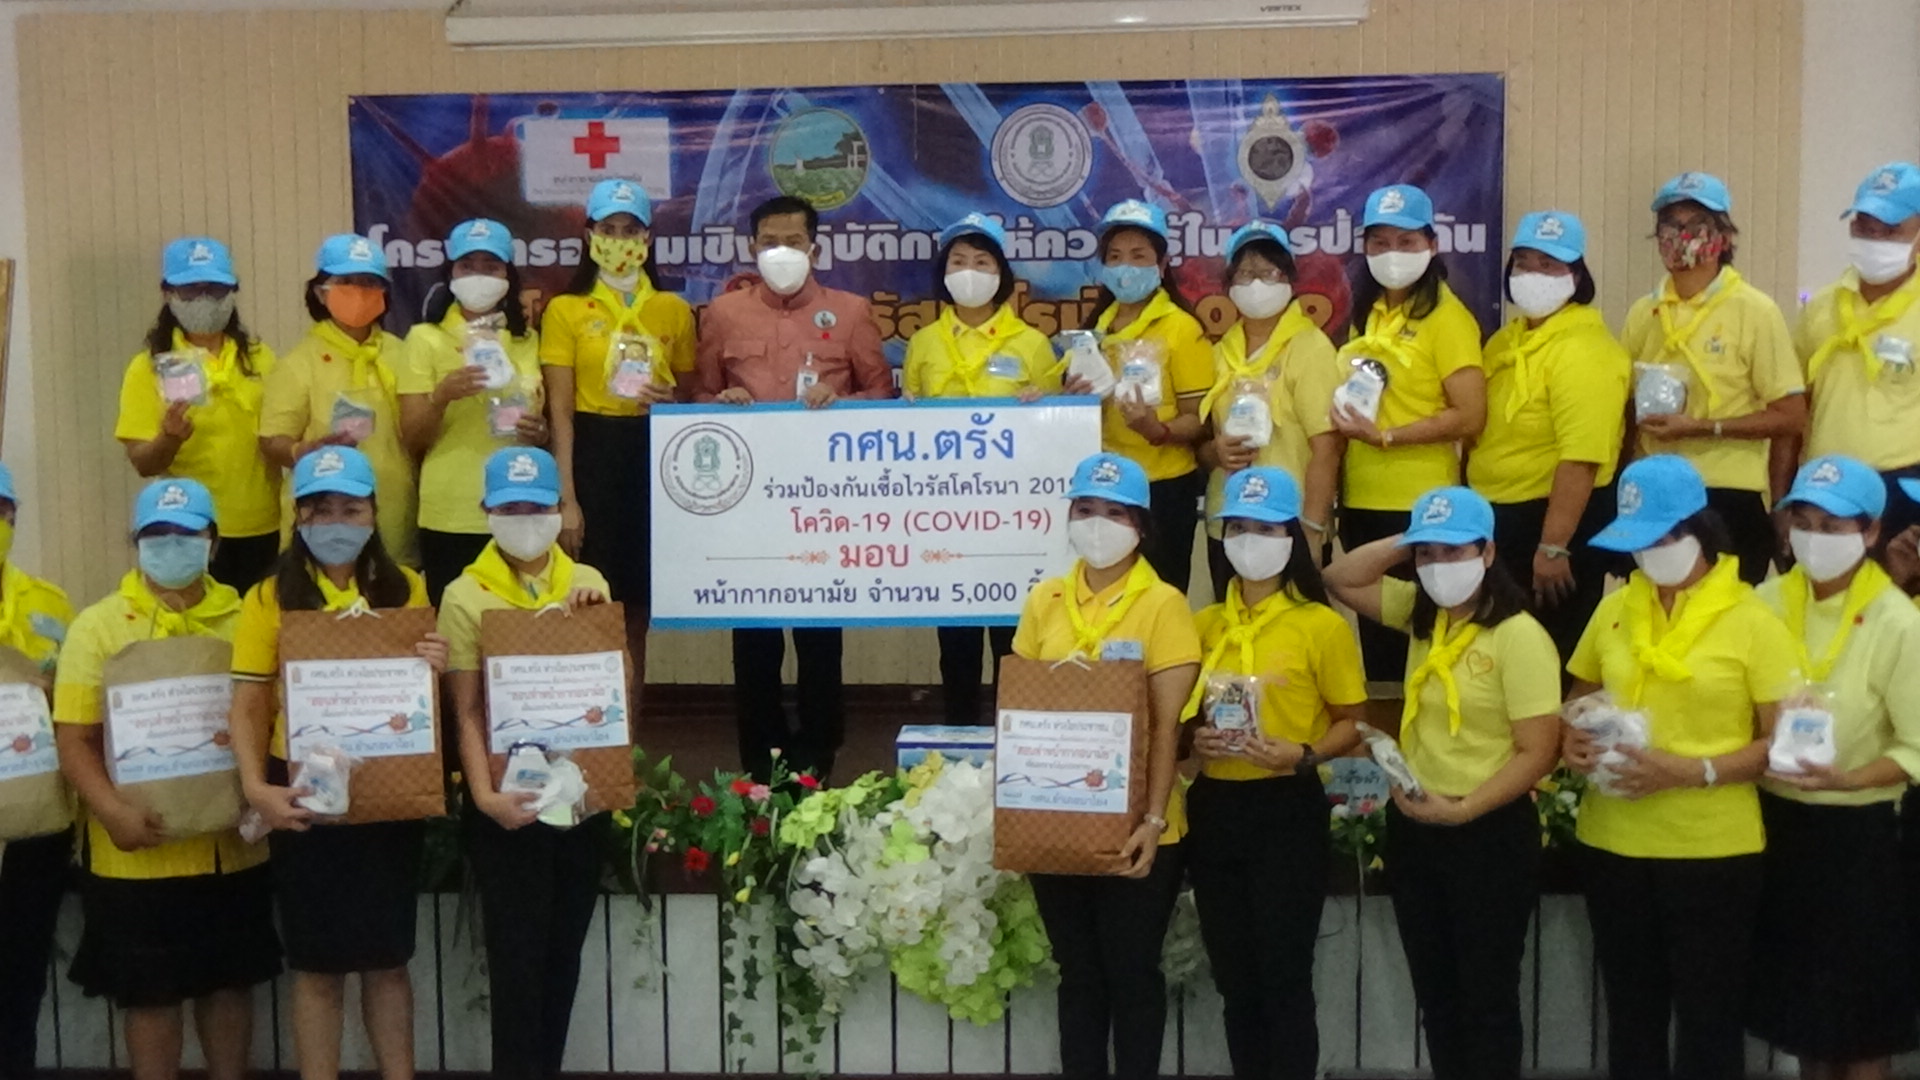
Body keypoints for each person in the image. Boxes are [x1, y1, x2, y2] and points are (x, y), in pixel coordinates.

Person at [1562, 454, 1799, 1080]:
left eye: (1663, 538)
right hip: (1613, 840)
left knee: (1709, 1021)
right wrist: (1575, 739)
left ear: (1701, 530)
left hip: (1712, 850)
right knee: (1632, 1016)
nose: (1649, 554)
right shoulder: (1615, 609)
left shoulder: (1755, 619)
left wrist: (1692, 772)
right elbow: (1579, 696)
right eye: (1638, 542)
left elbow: (1782, 742)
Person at [1323, 486, 1561, 1080]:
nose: (1438, 566)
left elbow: (1538, 752)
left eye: (1454, 551)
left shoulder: (1519, 635)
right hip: (1418, 828)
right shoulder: (1422, 617)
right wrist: (1409, 539)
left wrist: (1465, 809)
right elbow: (1340, 577)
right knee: (1438, 997)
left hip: (1489, 831)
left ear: (1487, 553)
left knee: (1487, 998)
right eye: (1427, 555)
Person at [227, 447, 442, 1080]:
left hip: (389, 785)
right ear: (298, 517)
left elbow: (417, 703)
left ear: (375, 513)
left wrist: (432, 664)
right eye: (321, 511)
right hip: (302, 791)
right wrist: (255, 787)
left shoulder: (406, 588)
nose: (337, 523)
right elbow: (247, 704)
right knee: (316, 966)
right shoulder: (269, 596)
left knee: (387, 960)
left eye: (351, 509)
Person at [52, 478, 278, 1080]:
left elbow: (275, 717)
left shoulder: (247, 616)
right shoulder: (97, 626)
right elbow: (74, 739)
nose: (171, 546)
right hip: (134, 857)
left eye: (186, 534)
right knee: (150, 997)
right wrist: (112, 812)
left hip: (232, 848)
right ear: (135, 543)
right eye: (156, 535)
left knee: (229, 985)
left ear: (214, 542)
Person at [1010, 451, 1199, 1080]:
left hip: (1138, 828)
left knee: (1131, 972)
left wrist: (1152, 819)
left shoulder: (1164, 604)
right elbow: (1022, 713)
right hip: (1057, 820)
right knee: (1079, 975)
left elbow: (1168, 725)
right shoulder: (1045, 600)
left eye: (1115, 513)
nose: (1097, 524)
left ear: (1140, 526)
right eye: (1085, 509)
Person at [694, 194, 893, 781]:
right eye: (769, 242)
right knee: (754, 638)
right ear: (752, 248)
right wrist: (720, 400)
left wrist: (843, 401)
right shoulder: (722, 314)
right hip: (746, 504)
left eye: (794, 241)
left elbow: (883, 393)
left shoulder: (850, 312)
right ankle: (760, 764)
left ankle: (818, 758)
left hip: (823, 503)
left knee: (819, 635)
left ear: (815, 248)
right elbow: (697, 393)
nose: (782, 252)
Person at [441, 447, 614, 1080]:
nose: (525, 519)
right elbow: (465, 711)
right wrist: (484, 798)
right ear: (486, 510)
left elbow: (612, 698)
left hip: (579, 803)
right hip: (505, 807)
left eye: (537, 507)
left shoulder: (588, 581)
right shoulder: (464, 595)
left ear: (560, 509)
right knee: (516, 969)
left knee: (562, 960)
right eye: (510, 508)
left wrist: (596, 624)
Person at [1184, 467, 1363, 1080]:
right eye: (1237, 527)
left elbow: (1352, 722)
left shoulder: (1321, 625)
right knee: (1234, 980)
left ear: (1292, 538)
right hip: (1215, 807)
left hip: (1287, 809)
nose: (1249, 541)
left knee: (1284, 977)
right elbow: (1180, 719)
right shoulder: (1203, 625)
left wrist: (1304, 754)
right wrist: (1195, 738)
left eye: (1265, 529)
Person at [1747, 455, 1920, 1077]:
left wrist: (1845, 779)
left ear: (1871, 532)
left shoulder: (1900, 622)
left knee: (1861, 1025)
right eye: (1804, 522)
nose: (1814, 538)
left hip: (1858, 838)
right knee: (1803, 1021)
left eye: (1833, 526)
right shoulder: (1762, 602)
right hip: (1773, 824)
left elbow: (1915, 748)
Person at [902, 211, 1060, 725]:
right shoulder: (923, 342)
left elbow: (1057, 434)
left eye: (982, 262)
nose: (969, 271)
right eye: (958, 261)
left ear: (1001, 273)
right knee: (956, 641)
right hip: (947, 517)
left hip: (1014, 517)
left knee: (1014, 641)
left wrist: (1043, 407)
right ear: (943, 273)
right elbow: (907, 424)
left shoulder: (1032, 344)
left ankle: (1018, 740)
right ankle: (959, 742)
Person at [1329, 183, 1486, 687]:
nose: (1392, 253)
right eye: (1379, 242)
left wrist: (1388, 437)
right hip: (1360, 499)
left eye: (1406, 241)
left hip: (1419, 504)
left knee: (1417, 640)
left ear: (1431, 245)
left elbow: (1470, 415)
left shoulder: (1448, 318)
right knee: (1378, 647)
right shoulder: (1368, 313)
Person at [1620, 172, 1804, 584]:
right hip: (1654, 491)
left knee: (1724, 613)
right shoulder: (1643, 313)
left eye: (1696, 225)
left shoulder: (1755, 310)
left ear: (1723, 236)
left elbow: (1791, 416)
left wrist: (1704, 427)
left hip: (1726, 492)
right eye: (1670, 225)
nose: (1681, 237)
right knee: (1655, 608)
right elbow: (1624, 410)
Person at [538, 179, 694, 655]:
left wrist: (672, 403)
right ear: (590, 235)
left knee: (637, 605)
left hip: (650, 455)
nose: (620, 240)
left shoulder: (673, 309)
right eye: (609, 229)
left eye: (631, 230)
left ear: (647, 238)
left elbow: (690, 399)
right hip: (593, 453)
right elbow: (560, 412)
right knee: (591, 596)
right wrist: (567, 499)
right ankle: (594, 703)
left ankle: (632, 704)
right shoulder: (564, 310)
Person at [1467, 211, 1631, 659]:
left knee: (1547, 656)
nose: (1532, 275)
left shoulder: (1587, 350)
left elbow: (1582, 457)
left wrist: (1553, 546)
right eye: (1522, 263)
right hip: (1498, 520)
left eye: (1548, 265)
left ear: (1576, 275)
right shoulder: (1505, 343)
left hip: (1551, 525)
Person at [116, 236, 281, 589]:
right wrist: (169, 439)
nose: (204, 300)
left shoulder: (261, 358)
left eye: (216, 290)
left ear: (233, 292)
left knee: (258, 620)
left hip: (264, 526)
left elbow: (282, 432)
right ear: (167, 293)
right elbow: (143, 462)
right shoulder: (147, 368)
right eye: (191, 290)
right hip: (190, 529)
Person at [1065, 199, 1212, 594]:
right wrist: (1073, 401)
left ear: (1162, 266)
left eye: (1138, 255)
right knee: (1104, 598)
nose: (1125, 266)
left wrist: (1157, 430)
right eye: (1114, 257)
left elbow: (1200, 420)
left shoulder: (1182, 328)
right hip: (1103, 486)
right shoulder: (1094, 330)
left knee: (1159, 599)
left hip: (1161, 488)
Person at [399, 218, 548, 602]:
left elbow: (542, 422)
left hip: (519, 504)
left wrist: (539, 433)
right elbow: (411, 439)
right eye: (467, 266)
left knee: (517, 623)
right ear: (450, 273)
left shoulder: (527, 340)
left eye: (491, 266)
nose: (479, 276)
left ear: (508, 275)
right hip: (450, 510)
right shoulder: (424, 338)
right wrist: (441, 397)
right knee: (454, 624)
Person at [1196, 221, 1343, 597]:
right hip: (1230, 525)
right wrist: (1216, 452)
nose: (1257, 283)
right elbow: (1203, 447)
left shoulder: (1310, 347)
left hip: (1288, 525)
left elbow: (1327, 448)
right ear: (1229, 284)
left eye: (1269, 272)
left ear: (1289, 279)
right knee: (1232, 621)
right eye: (1245, 273)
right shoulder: (1219, 352)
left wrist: (1312, 529)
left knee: (1292, 626)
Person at [260, 233, 420, 567]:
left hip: (395, 515)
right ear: (321, 292)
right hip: (321, 520)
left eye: (369, 282)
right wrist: (299, 451)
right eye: (346, 281)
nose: (359, 291)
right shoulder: (298, 362)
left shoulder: (403, 352)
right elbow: (271, 440)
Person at [1790, 162, 1920, 544]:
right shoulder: (1821, 307)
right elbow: (1797, 405)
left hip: (1904, 486)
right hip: (1824, 486)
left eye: (1891, 231)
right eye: (1865, 228)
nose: (1875, 239)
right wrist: (1783, 496)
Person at [0, 462, 75, 1080]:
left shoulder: (50, 602)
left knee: (20, 973)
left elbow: (75, 704)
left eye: (0, 511)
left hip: (34, 824)